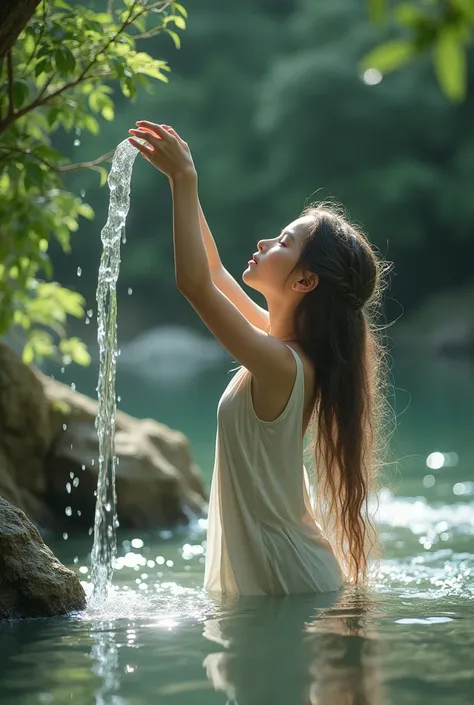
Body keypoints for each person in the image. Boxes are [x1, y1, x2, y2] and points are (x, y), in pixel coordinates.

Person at [128, 122, 392, 595]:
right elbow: (209, 270)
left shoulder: (282, 365)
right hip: (288, 581)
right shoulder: (280, 349)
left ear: (305, 282)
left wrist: (184, 182)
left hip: (289, 580)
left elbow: (194, 285)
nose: (263, 244)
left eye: (283, 243)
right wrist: (180, 178)